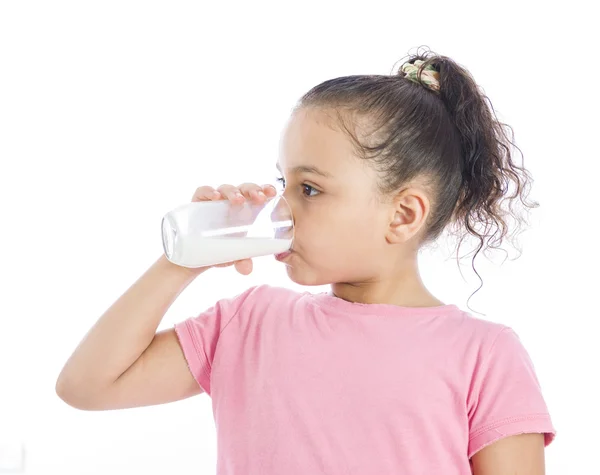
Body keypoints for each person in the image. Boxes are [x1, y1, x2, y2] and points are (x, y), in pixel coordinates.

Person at [55, 46, 556, 474]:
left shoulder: (485, 355)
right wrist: (184, 260)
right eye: (283, 183)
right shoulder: (248, 322)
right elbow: (86, 385)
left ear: (403, 214)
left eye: (310, 188)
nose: (281, 205)